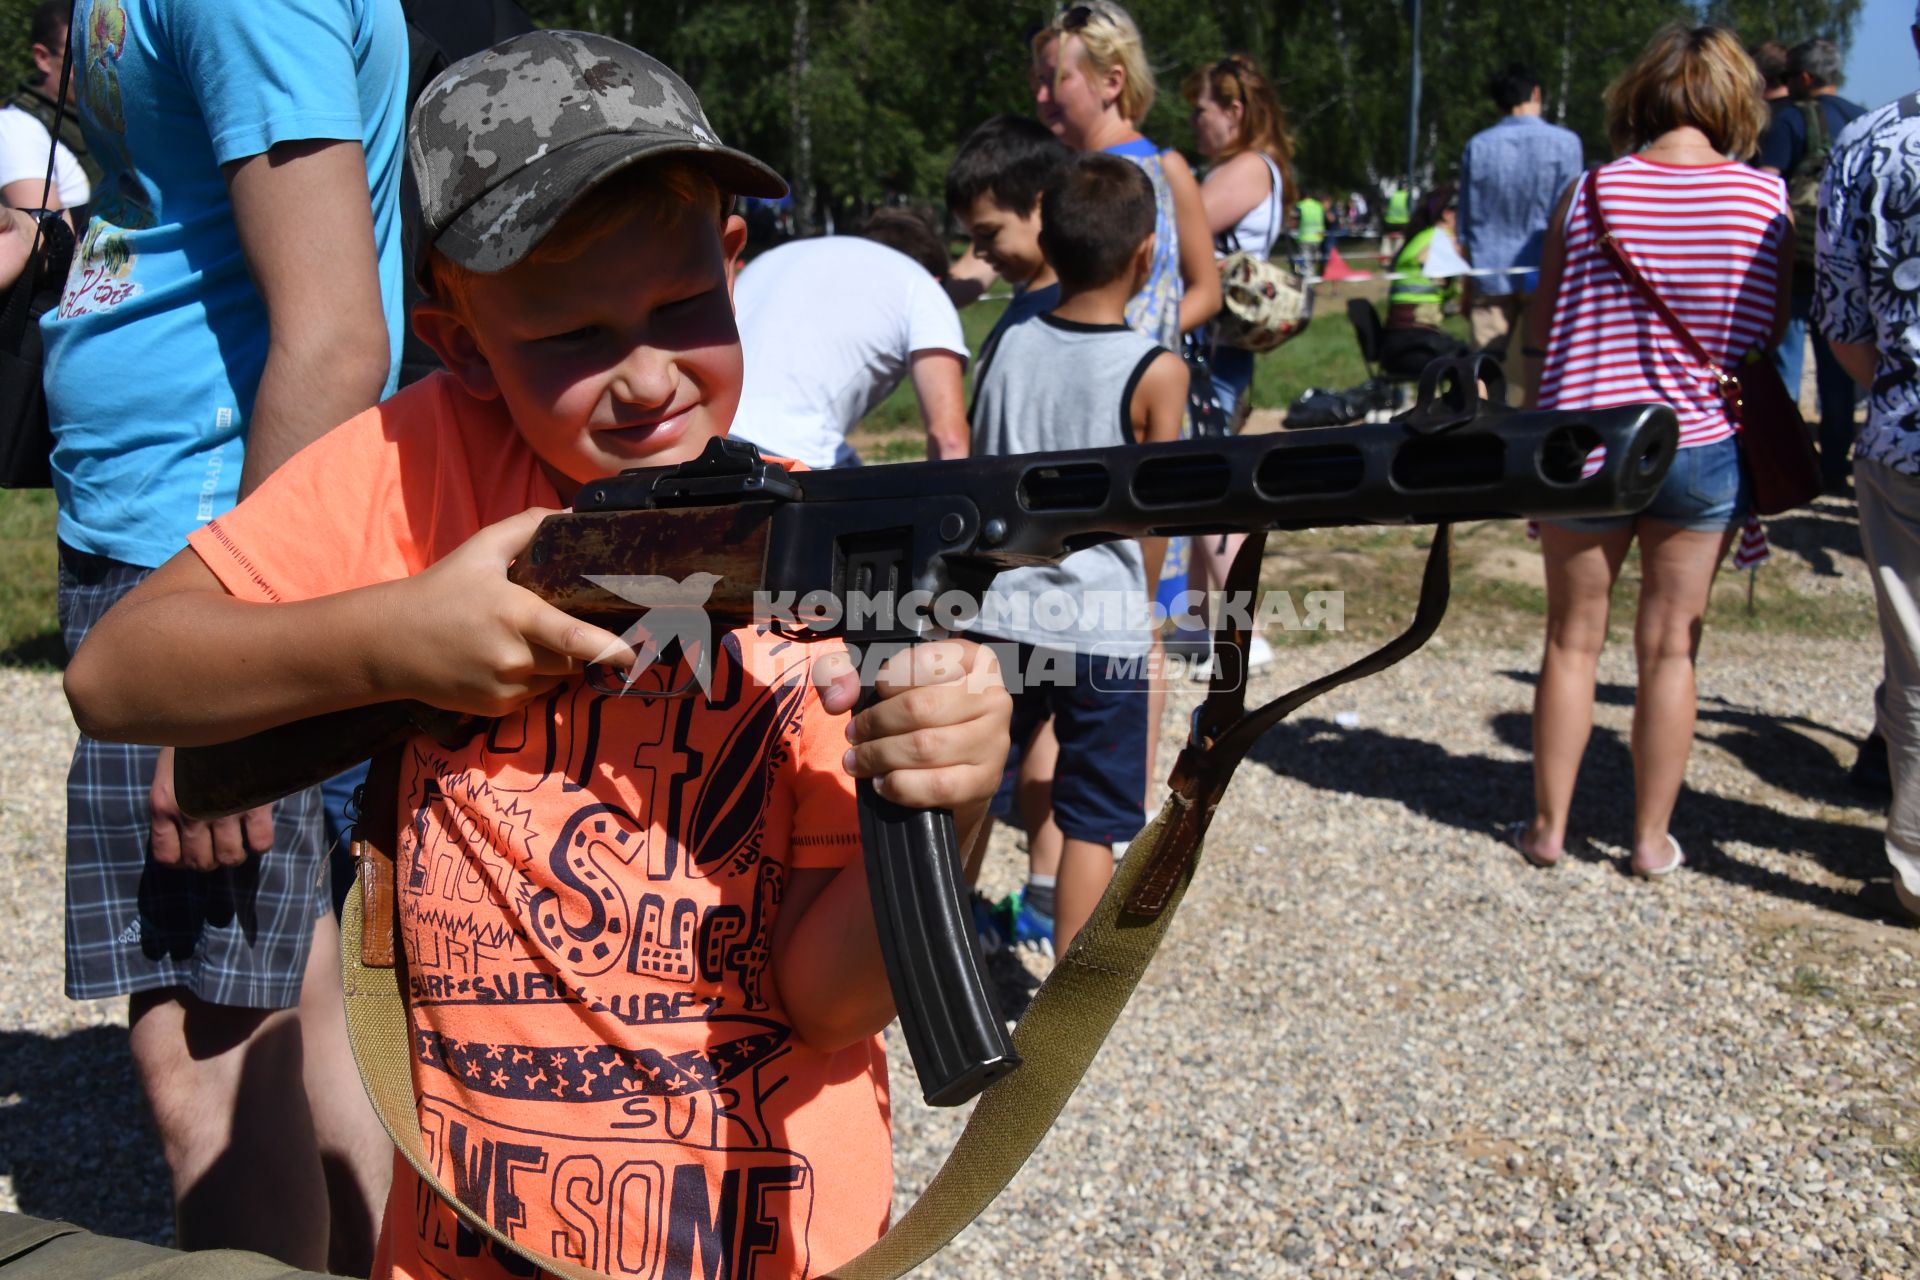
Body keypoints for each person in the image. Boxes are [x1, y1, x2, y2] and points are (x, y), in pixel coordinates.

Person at [60, 31, 1011, 1279]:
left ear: (734, 262)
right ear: (458, 344)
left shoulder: (820, 564)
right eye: (571, 337)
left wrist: (949, 796)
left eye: (681, 309)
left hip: (770, 1243)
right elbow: (118, 673)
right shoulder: (418, 464)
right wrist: (401, 636)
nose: (646, 375)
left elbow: (831, 999)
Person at [44, 0, 409, 1270]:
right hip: (185, 535)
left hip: (199, 550)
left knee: (201, 1061)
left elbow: (334, 334)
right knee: (298, 1013)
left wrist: (235, 673)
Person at [1511, 25, 1787, 877]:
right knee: (1670, 649)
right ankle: (1647, 838)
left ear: (1642, 95)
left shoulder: (1589, 192)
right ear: (1733, 100)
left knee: (1571, 641)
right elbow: (1764, 332)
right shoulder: (1763, 199)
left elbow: (1547, 321)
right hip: (1699, 441)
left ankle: (1550, 829)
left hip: (1586, 443)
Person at [967, 153, 1187, 955]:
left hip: (1002, 608)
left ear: (1048, 243)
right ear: (1148, 252)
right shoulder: (1156, 372)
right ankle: (1065, 996)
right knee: (1091, 820)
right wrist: (1147, 604)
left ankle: (946, 947)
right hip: (1103, 624)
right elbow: (1159, 515)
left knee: (971, 784)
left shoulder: (1005, 346)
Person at [1816, 20, 1920, 923]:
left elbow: (1843, 326)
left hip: (1907, 434)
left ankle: (1919, 868)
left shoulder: (1871, 143)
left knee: (1918, 659)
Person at [1030, 1, 1219, 349]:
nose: (1042, 96)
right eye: (1039, 81)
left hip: (1139, 387)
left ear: (1112, 82)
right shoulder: (1053, 174)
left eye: (1058, 78)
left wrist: (1137, 347)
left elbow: (1206, 291)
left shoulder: (1166, 171)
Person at [730, 208, 969, 467]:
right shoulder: (921, 285)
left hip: (706, 442)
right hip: (789, 453)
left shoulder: (779, 257)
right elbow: (950, 442)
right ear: (936, 279)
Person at [1758, 37, 1865, 492]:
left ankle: (1791, 458)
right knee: (1840, 368)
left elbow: (1765, 189)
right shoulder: (1862, 120)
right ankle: (1836, 462)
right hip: (1847, 264)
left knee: (1786, 360)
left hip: (1797, 262)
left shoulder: (1789, 120)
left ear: (1803, 79)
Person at [1456, 62, 1583, 367]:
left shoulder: (1478, 145)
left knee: (1483, 365)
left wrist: (1467, 277)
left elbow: (1466, 218)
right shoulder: (1567, 143)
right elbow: (1570, 215)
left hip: (1490, 269)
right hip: (1545, 269)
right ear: (1536, 93)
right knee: (1539, 363)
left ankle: (1482, 416)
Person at [946, 113, 1074, 381]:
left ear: (1043, 206)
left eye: (989, 233)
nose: (978, 251)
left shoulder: (1064, 318)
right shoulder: (1033, 303)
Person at [5, 1, 97, 213]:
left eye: (97, 53)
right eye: (79, 56)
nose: (93, 67)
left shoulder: (99, 116)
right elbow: (44, 236)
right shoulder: (16, 128)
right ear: (43, 58)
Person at [1379, 184, 1471, 377]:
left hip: (1396, 342)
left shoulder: (1421, 237)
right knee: (1476, 364)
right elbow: (1458, 291)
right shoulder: (1442, 240)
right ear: (1447, 214)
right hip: (1415, 345)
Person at [1292, 189, 1325, 275]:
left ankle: (1308, 284)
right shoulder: (1319, 206)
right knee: (1313, 262)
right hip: (1318, 237)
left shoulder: (1300, 206)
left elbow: (1295, 221)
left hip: (1305, 237)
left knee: (1307, 264)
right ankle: (1312, 280)